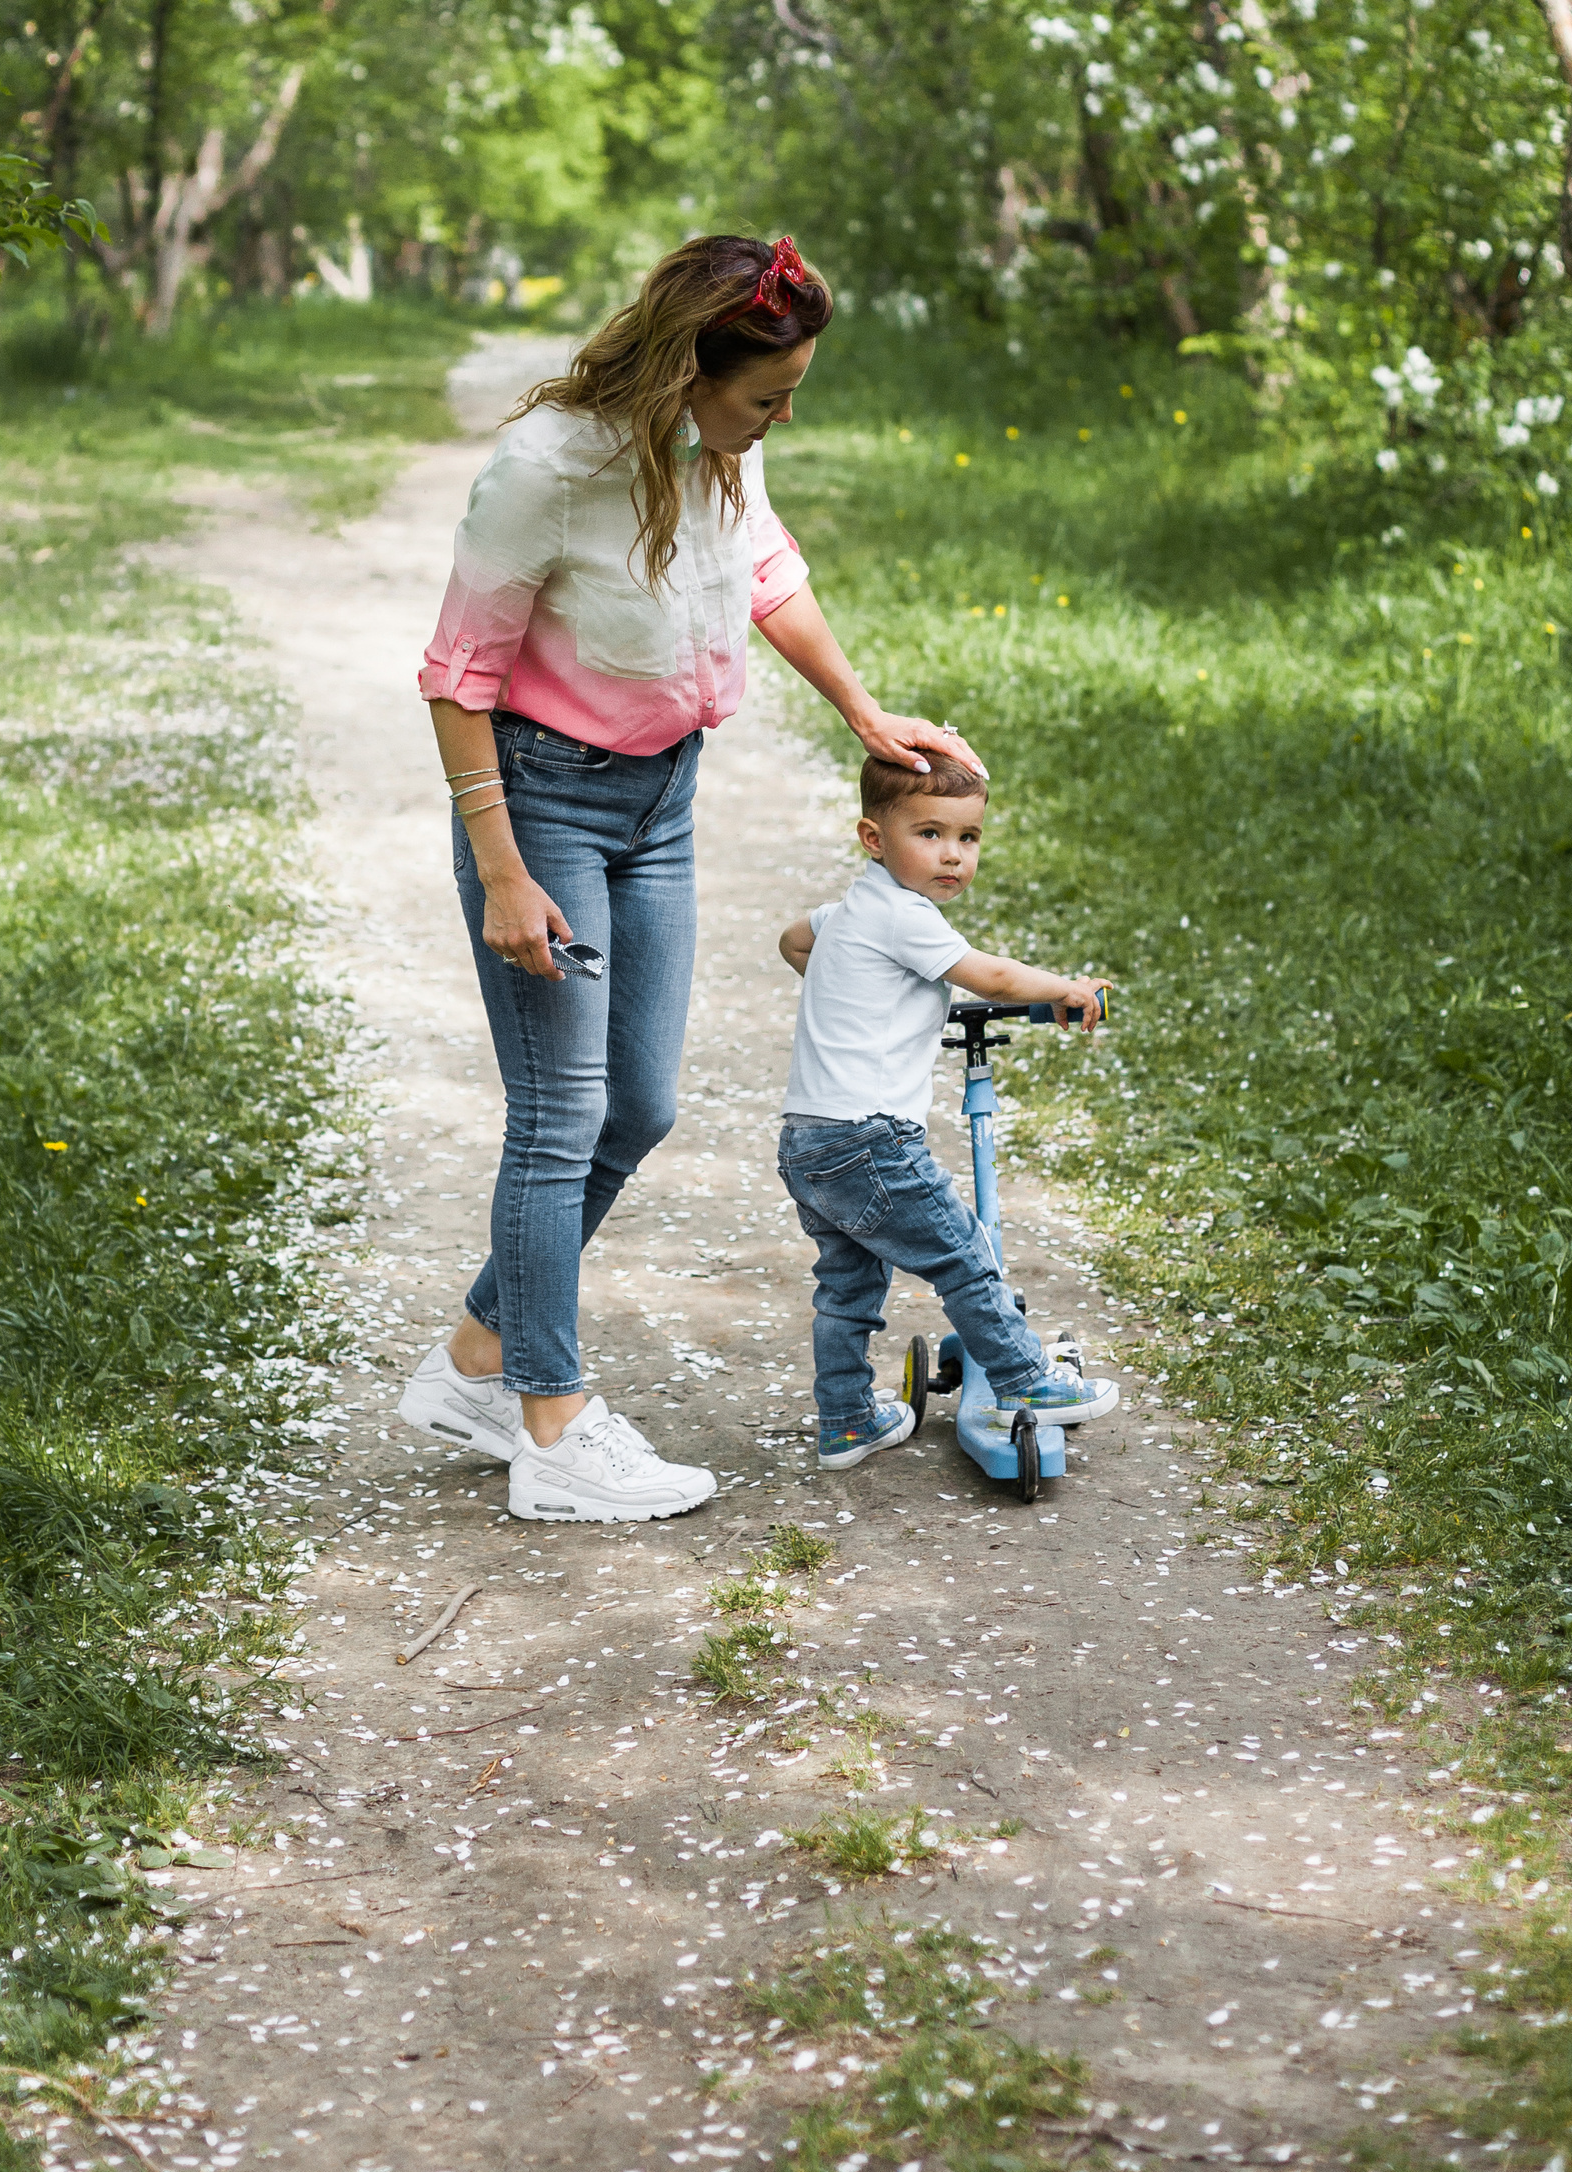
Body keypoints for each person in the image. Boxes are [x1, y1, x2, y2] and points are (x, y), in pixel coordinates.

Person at [403, 232, 979, 1524]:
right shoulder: (549, 471)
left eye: (791, 394)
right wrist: (501, 870)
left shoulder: (724, 454)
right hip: (543, 800)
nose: (780, 417)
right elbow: (457, 676)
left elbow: (767, 579)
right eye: (765, 395)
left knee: (639, 1107)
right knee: (560, 1116)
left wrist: (863, 714)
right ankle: (551, 1431)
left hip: (662, 798)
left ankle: (476, 1364)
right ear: (683, 369)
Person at [776, 752, 1119, 1466]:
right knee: (965, 1253)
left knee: (847, 1287)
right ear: (874, 837)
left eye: (968, 838)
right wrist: (1067, 989)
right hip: (871, 1139)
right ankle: (1028, 1379)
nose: (953, 855)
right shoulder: (904, 916)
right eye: (929, 834)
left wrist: (852, 983)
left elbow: (793, 941)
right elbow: (989, 975)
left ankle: (846, 1421)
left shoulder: (850, 913)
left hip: (809, 1141)